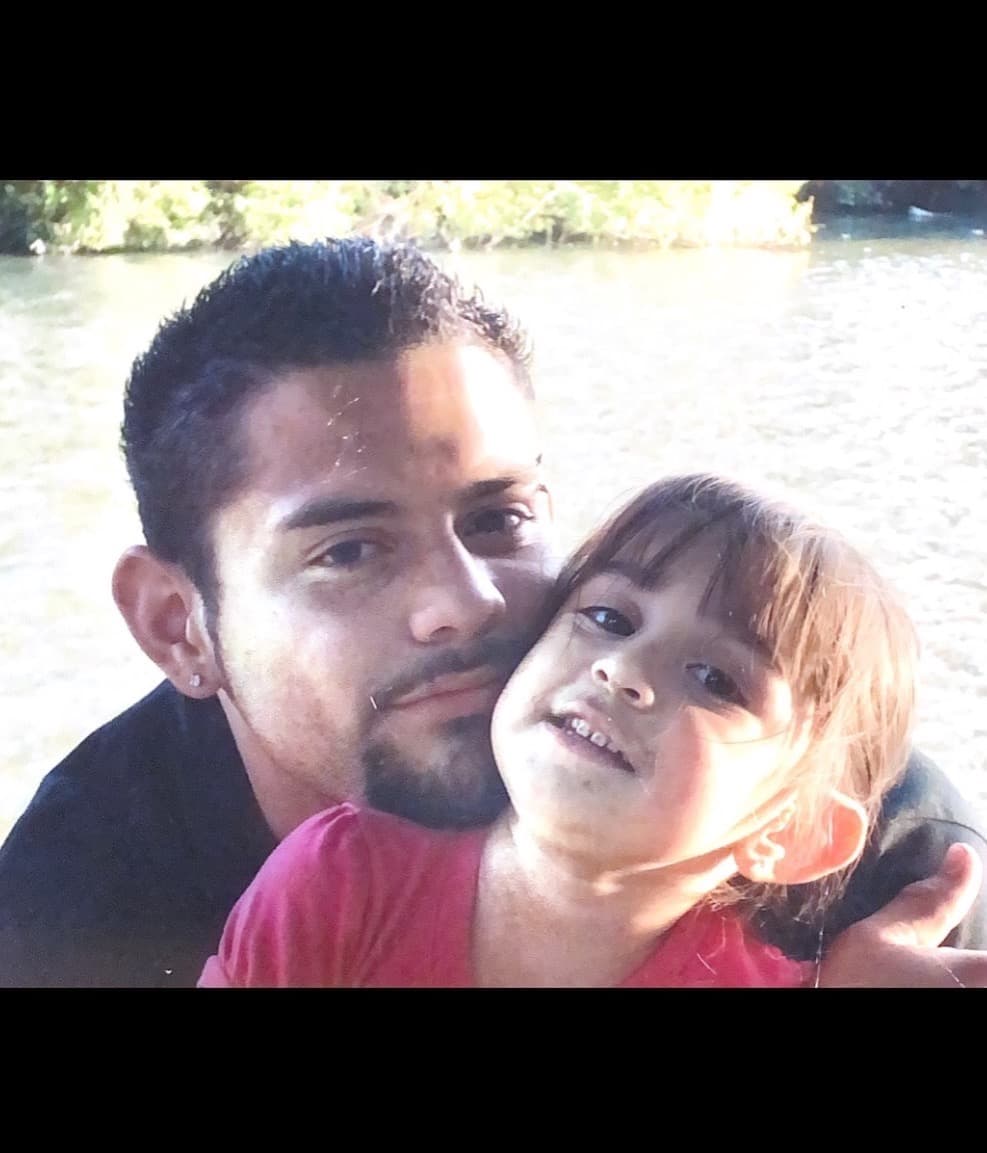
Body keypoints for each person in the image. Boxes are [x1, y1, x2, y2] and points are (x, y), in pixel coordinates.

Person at [1, 238, 985, 988]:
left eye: (498, 519)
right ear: (179, 624)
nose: (466, 601)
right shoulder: (70, 912)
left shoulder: (884, 856)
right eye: (348, 551)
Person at [199, 473, 932, 987]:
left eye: (715, 679)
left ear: (795, 833)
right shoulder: (340, 883)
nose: (623, 669)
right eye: (609, 617)